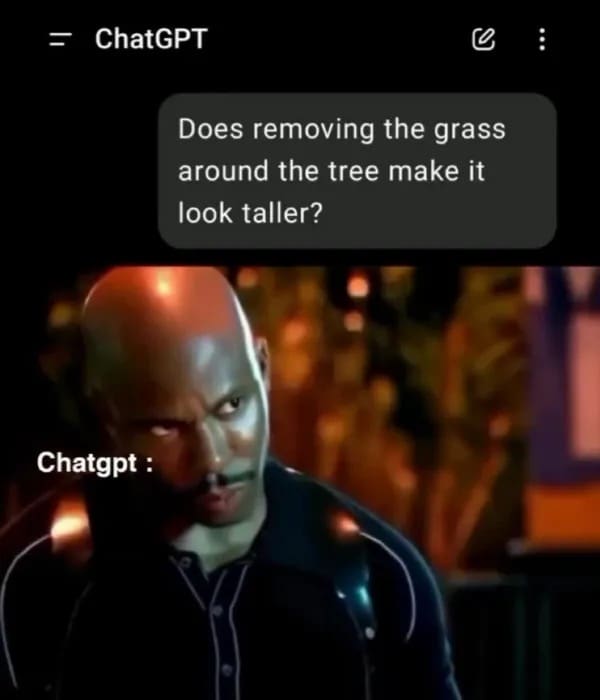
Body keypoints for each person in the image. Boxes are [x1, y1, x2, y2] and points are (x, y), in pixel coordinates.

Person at [1, 266, 461, 699]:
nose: (214, 457)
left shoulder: (379, 574)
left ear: (263, 367)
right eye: (166, 427)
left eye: (232, 405)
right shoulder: (28, 580)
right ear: (108, 419)